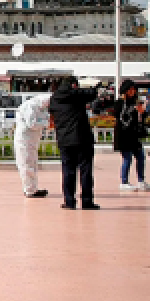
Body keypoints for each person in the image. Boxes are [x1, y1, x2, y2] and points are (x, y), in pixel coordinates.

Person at [49, 77, 100, 210]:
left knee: (68, 171)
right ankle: (87, 201)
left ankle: (69, 201)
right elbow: (92, 95)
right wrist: (94, 87)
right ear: (73, 85)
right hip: (82, 139)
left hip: (65, 141)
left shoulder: (54, 99)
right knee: (85, 171)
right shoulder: (76, 95)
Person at [13, 93, 52, 198]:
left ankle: (33, 188)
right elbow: (32, 124)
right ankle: (29, 190)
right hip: (24, 141)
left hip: (32, 141)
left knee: (32, 165)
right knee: (26, 165)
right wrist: (47, 123)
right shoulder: (30, 106)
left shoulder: (41, 108)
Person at [112, 80, 148, 191]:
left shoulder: (136, 102)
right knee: (127, 158)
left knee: (141, 157)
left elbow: (142, 117)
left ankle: (141, 180)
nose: (133, 91)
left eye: (134, 89)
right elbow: (118, 115)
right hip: (124, 135)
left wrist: (142, 112)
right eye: (131, 89)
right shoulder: (120, 103)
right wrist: (131, 109)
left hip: (134, 135)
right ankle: (124, 182)